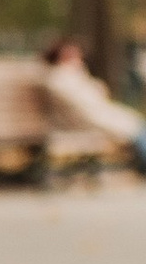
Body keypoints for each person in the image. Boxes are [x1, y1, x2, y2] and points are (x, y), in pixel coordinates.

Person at [40, 36, 146, 175]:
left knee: (139, 129)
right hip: (89, 122)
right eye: (71, 54)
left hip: (98, 117)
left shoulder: (73, 76)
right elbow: (86, 104)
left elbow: (99, 93)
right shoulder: (61, 78)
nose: (77, 58)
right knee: (138, 131)